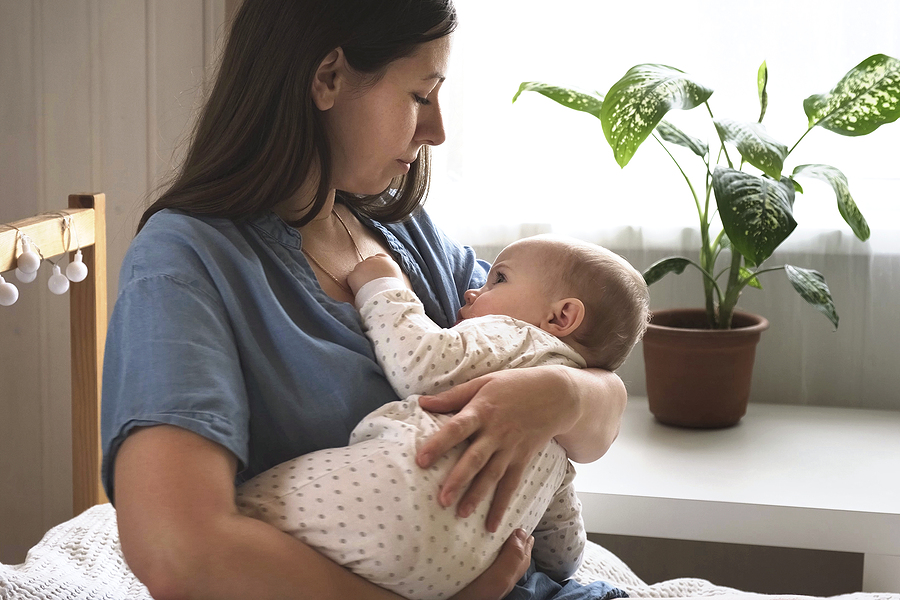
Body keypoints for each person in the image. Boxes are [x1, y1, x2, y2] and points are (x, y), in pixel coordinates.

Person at [101, 1, 629, 599]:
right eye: (420, 96)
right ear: (328, 78)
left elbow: (593, 395)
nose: (437, 132)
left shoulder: (405, 235)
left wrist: (559, 395)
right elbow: (178, 551)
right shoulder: (186, 262)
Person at [236, 234, 649, 600]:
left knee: (244, 513)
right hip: (446, 578)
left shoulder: (516, 335)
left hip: (374, 512)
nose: (471, 291)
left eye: (497, 279)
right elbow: (563, 556)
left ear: (560, 318)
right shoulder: (560, 454)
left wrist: (383, 285)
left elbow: (421, 364)